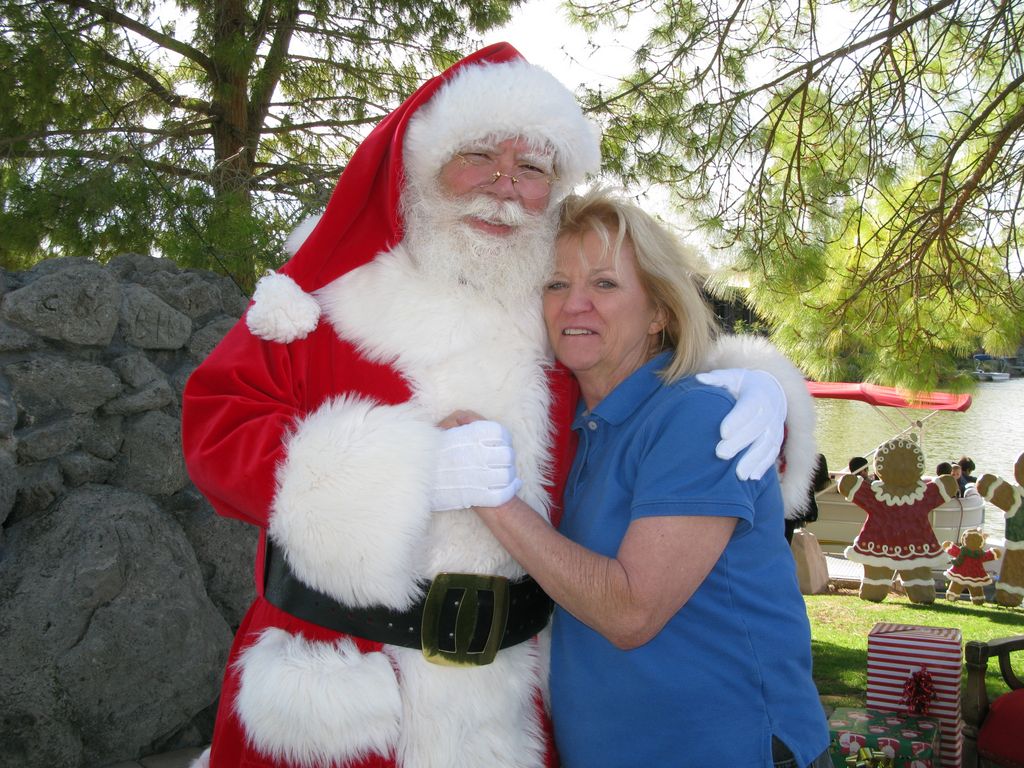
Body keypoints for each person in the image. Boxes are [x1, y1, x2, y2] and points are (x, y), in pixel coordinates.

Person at [181, 45, 819, 768]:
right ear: (423, 165)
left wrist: (754, 384)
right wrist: (404, 475)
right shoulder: (325, 298)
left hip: (512, 699)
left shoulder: (554, 308)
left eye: (534, 169)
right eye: (479, 156)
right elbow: (216, 427)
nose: (505, 188)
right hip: (342, 697)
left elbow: (645, 378)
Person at [463, 187, 830, 767]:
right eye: (557, 284)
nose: (573, 305)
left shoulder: (695, 418)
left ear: (659, 311)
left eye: (604, 284)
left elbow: (630, 611)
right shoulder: (589, 429)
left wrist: (492, 497)